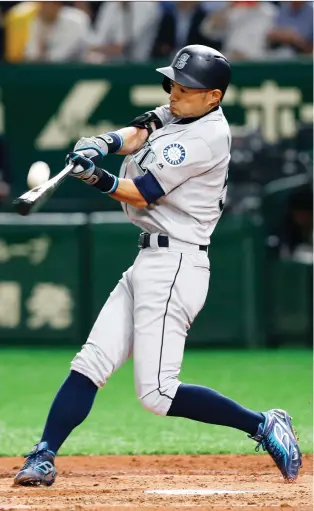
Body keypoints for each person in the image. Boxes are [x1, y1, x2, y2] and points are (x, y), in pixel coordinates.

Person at [14, 44, 302, 487]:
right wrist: (101, 143)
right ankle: (44, 453)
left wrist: (97, 176)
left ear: (214, 97)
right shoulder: (180, 111)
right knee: (91, 362)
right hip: (149, 259)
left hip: (176, 264)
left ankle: (263, 424)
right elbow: (140, 130)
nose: (175, 93)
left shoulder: (208, 136)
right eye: (173, 84)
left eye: (187, 89)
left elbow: (142, 191)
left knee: (157, 394)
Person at [24, 1, 90, 62]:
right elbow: (30, 54)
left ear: (58, 5)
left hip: (76, 68)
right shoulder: (36, 20)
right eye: (43, 3)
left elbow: (60, 56)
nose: (46, 7)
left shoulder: (76, 20)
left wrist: (41, 56)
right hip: (46, 67)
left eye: (51, 3)